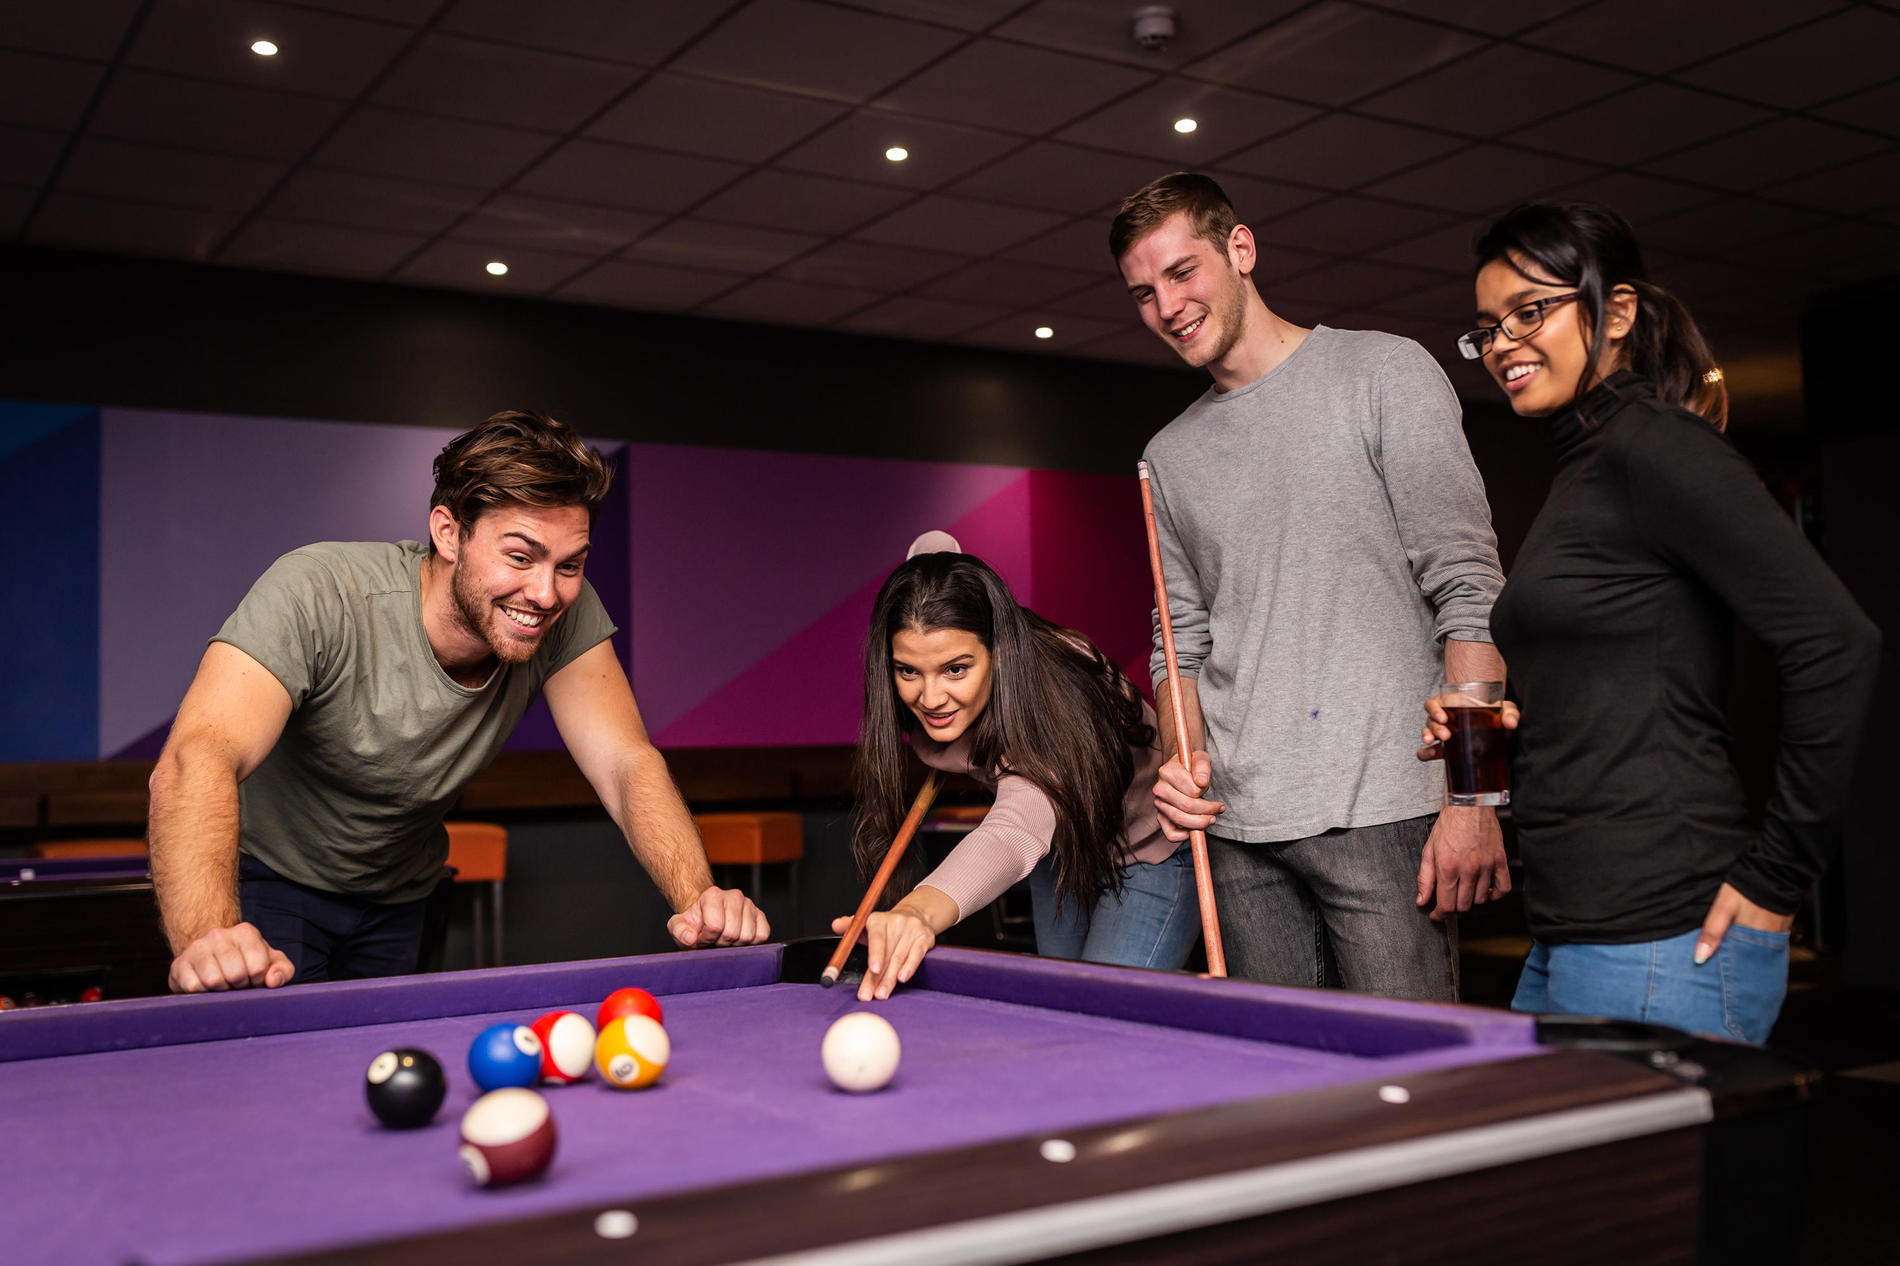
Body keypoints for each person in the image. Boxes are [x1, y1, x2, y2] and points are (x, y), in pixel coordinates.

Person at [1426, 201, 1879, 1043]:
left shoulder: (1658, 448)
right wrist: (1509, 730)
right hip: (1572, 930)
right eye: (1487, 327)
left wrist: (1780, 880)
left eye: (1531, 311)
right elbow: (1623, 686)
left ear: (1619, 312)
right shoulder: (1587, 466)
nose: (1504, 345)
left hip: (1666, 933)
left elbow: (1838, 644)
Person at [147, 411, 770, 993]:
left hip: (403, 895)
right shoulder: (319, 592)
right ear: (449, 532)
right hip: (264, 885)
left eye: (570, 564)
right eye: (520, 556)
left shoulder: (566, 614)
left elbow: (626, 762)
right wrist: (209, 938)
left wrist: (700, 899)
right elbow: (196, 758)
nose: (546, 593)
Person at [1111, 172, 1509, 1001]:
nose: (1168, 305)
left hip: (1385, 810)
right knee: (1294, 1100)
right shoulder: (1168, 455)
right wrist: (1182, 763)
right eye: (1144, 293)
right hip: (1239, 829)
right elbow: (1176, 641)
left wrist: (1476, 797)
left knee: (1411, 1091)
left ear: (1241, 249)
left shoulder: (1383, 372)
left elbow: (1470, 589)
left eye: (1183, 271)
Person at [834, 534, 1197, 1001]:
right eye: (908, 671)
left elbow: (1014, 829)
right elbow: (933, 552)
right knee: (1055, 1005)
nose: (930, 698)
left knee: (1099, 1015)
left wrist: (918, 913)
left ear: (1000, 650)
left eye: (955, 669)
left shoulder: (1053, 709)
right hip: (1063, 853)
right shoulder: (955, 630)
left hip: (1152, 850)